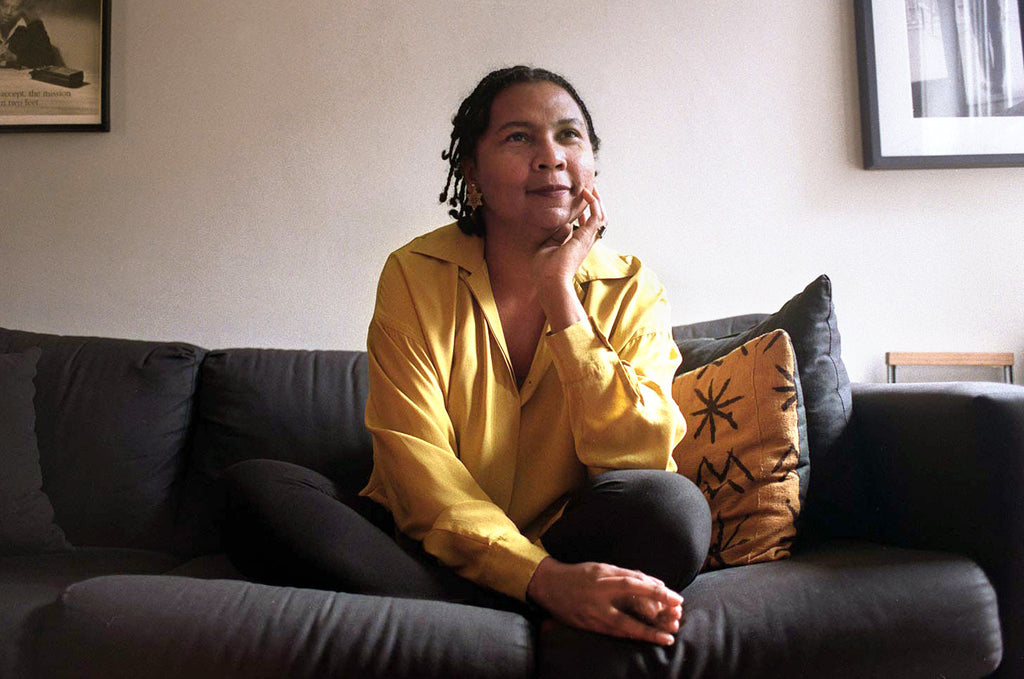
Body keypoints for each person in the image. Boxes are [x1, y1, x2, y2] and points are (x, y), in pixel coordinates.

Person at [224, 66, 711, 647]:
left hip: (570, 541)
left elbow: (637, 455)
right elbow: (419, 469)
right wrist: (539, 579)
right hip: (428, 545)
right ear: (472, 172)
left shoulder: (632, 287)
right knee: (253, 489)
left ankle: (456, 617)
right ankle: (527, 605)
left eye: (568, 135)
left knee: (672, 510)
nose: (550, 157)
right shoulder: (414, 274)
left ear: (591, 164)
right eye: (519, 137)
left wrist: (561, 296)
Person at [0, 0, 62, 69]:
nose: (8, 12)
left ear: (22, 10)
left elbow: (47, 61)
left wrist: (14, 57)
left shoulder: (33, 28)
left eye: (15, 8)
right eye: (5, 6)